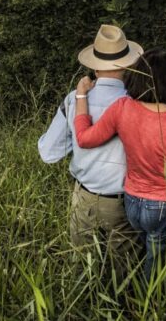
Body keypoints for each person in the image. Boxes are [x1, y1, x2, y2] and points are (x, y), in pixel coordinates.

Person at [74, 48, 166, 279]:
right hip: (164, 207)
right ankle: (152, 306)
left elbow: (84, 138)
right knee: (160, 270)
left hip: (132, 204)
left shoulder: (122, 108)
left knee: (146, 254)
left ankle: (133, 295)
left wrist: (81, 96)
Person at [38, 24, 143, 256]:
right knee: (126, 275)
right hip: (126, 202)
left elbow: (49, 153)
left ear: (94, 68)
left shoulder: (74, 100)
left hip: (84, 198)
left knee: (85, 274)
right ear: (128, 64)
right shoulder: (138, 103)